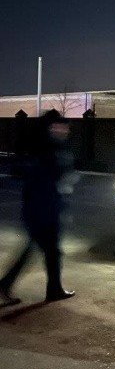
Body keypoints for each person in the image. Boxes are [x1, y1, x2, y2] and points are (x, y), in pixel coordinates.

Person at [0, 111, 75, 306]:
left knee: (46, 251)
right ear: (51, 128)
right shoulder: (46, 151)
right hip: (42, 211)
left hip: (44, 209)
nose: (65, 130)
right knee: (48, 250)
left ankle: (53, 289)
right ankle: (50, 289)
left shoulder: (49, 148)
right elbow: (42, 181)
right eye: (61, 126)